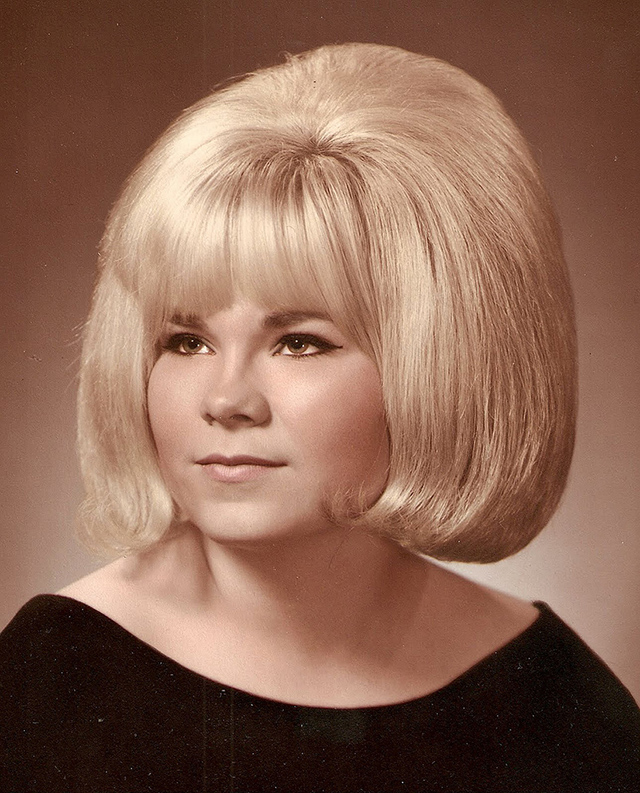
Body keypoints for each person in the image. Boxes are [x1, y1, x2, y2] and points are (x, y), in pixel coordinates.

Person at [0, 42, 638, 793]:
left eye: (298, 341)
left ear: (437, 364)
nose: (225, 398)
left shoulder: (553, 697)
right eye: (186, 340)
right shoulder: (52, 680)